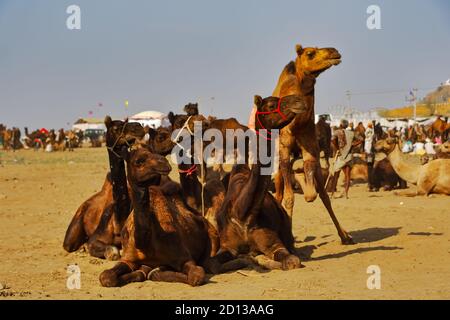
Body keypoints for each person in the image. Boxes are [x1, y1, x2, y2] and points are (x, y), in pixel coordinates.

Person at [328, 119, 361, 199]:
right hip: (349, 156)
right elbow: (361, 139)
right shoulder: (351, 133)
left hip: (340, 156)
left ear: (341, 125)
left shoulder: (337, 132)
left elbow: (332, 139)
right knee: (347, 176)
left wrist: (337, 148)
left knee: (336, 174)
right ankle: (346, 194)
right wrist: (352, 145)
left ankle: (332, 193)